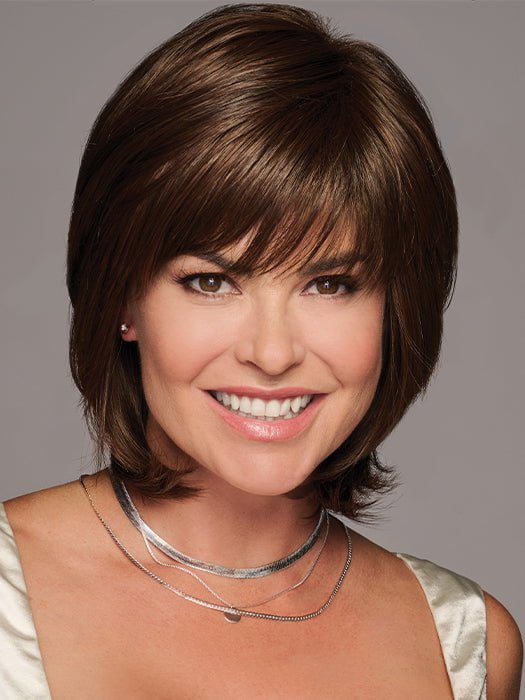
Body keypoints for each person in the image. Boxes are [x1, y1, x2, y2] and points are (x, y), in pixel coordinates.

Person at [0, 3, 522, 697]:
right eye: (211, 282)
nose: (272, 354)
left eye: (329, 284)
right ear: (122, 298)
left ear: (397, 311)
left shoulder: (465, 645)